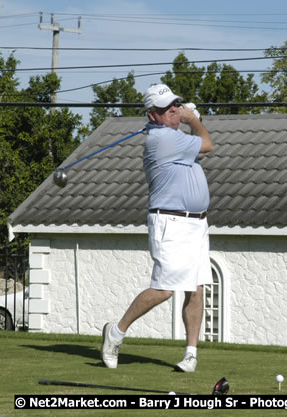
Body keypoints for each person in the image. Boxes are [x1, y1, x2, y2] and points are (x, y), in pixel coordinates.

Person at [101, 84, 213, 373]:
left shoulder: (171, 136)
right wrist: (194, 120)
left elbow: (196, 154)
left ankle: (190, 354)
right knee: (165, 289)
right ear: (153, 115)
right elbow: (207, 144)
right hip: (170, 222)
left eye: (176, 104)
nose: (174, 109)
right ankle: (115, 333)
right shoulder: (162, 140)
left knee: (196, 288)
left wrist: (186, 124)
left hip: (196, 222)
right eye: (166, 108)